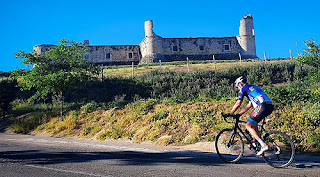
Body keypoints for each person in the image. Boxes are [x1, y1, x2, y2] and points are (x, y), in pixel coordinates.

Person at [229, 76, 273, 156]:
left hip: (262, 106)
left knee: (248, 125)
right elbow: (249, 105)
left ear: (240, 84)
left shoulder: (243, 88)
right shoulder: (252, 87)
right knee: (254, 124)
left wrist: (231, 113)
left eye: (237, 87)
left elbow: (238, 103)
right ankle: (257, 143)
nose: (238, 89)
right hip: (269, 106)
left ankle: (263, 145)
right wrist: (239, 114)